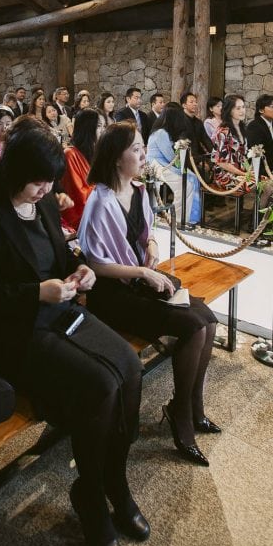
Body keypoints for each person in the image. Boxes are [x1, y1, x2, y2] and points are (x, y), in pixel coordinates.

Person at [0, 124, 147, 546]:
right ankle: (90, 495)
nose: (46, 189)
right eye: (38, 180)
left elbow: (63, 259)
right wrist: (35, 294)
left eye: (51, 181)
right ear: (14, 172)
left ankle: (115, 483)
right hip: (17, 331)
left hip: (60, 312)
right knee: (101, 385)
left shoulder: (43, 204)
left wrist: (81, 270)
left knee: (130, 367)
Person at [78, 122, 219, 468]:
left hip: (142, 281)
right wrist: (142, 271)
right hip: (113, 294)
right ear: (115, 158)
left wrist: (152, 250)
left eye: (143, 148)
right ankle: (180, 415)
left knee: (209, 320)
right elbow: (96, 263)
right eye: (136, 149)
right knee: (193, 326)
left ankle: (192, 405)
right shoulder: (100, 200)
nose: (143, 155)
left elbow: (148, 233)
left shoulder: (139, 191)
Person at [60, 108, 103, 232]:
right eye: (99, 126)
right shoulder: (70, 154)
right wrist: (107, 187)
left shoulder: (96, 152)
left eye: (103, 126)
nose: (103, 130)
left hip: (100, 210)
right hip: (81, 217)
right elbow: (78, 195)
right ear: (88, 128)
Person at [146, 102, 189, 219]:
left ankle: (188, 215)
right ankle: (179, 217)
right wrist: (179, 166)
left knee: (189, 178)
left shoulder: (164, 132)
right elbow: (170, 156)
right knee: (185, 183)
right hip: (157, 166)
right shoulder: (161, 133)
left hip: (162, 164)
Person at [211, 95, 250, 190]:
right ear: (229, 110)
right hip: (225, 175)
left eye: (243, 107)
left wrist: (249, 171)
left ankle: (258, 205)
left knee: (267, 182)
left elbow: (243, 156)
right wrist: (243, 174)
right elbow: (220, 162)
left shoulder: (242, 128)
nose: (242, 111)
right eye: (238, 108)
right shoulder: (223, 132)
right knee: (262, 184)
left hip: (240, 172)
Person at [245, 94, 273, 170]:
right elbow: (256, 152)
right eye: (271, 107)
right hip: (260, 169)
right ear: (261, 110)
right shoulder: (254, 126)